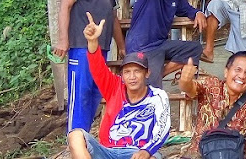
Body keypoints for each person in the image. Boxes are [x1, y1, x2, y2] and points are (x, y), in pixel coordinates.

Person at [68, 12, 170, 159]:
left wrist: (147, 151)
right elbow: (98, 68)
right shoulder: (115, 87)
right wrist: (92, 42)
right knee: (75, 135)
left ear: (147, 73)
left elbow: (163, 127)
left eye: (137, 71)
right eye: (127, 72)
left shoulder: (158, 97)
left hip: (139, 152)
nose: (132, 77)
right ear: (122, 75)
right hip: (109, 152)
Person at [54, 0, 126, 132]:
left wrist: (121, 46)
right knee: (80, 93)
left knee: (95, 93)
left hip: (101, 50)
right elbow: (65, 5)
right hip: (80, 46)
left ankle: (83, 140)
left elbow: (113, 17)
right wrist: (63, 41)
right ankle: (74, 143)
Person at [179, 52, 246, 159]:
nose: (242, 76)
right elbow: (189, 88)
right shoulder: (210, 85)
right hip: (200, 155)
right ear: (226, 72)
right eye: (238, 70)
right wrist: (185, 80)